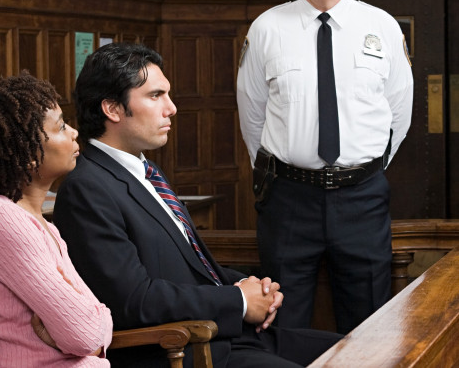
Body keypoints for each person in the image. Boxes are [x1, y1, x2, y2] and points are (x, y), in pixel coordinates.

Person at [54, 42, 342, 367]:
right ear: (113, 109)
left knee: (357, 350)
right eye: (155, 95)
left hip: (226, 336)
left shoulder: (146, 171)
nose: (171, 108)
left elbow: (189, 269)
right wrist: (239, 301)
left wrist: (248, 285)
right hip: (182, 351)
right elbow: (133, 300)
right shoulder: (87, 188)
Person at [236, 0, 414, 334]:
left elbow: (399, 112)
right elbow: (252, 115)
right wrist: (281, 171)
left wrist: (364, 168)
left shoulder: (382, 27)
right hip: (289, 200)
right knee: (282, 322)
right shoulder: (267, 28)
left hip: (362, 199)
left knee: (369, 320)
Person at [0, 72, 112, 367]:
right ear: (28, 152)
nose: (73, 133)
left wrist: (93, 327)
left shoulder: (43, 225)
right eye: (61, 126)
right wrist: (91, 331)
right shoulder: (0, 218)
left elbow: (95, 327)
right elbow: (85, 336)